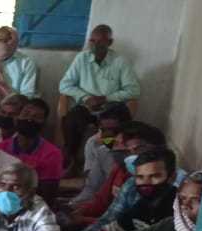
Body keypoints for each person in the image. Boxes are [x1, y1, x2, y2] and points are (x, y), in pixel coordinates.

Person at [59, 25, 141, 170]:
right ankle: (72, 161)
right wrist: (85, 97)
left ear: (110, 42)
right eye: (92, 41)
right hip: (86, 107)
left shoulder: (120, 61)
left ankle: (111, 162)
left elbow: (133, 90)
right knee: (72, 119)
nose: (95, 45)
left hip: (110, 107)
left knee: (114, 122)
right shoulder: (81, 58)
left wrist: (106, 98)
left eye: (100, 41)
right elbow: (64, 85)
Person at [77, 148, 179, 231]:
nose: (146, 183)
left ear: (172, 177)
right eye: (140, 177)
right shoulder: (139, 201)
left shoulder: (179, 208)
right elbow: (108, 222)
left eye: (154, 176)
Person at [0, 97, 63, 197]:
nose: (29, 119)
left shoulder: (52, 154)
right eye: (26, 114)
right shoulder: (0, 149)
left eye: (37, 117)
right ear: (16, 118)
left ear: (43, 123)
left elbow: (48, 194)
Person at [72, 101, 132, 206]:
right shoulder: (97, 145)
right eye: (103, 130)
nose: (107, 135)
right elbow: (91, 185)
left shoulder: (137, 148)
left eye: (113, 130)